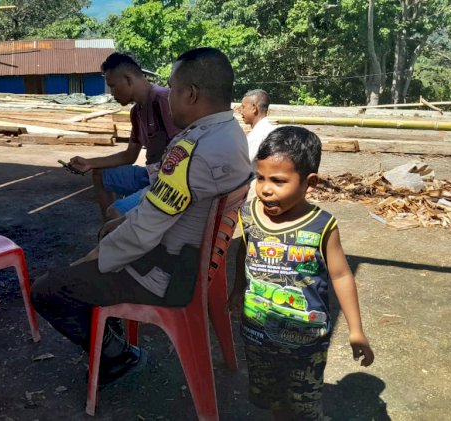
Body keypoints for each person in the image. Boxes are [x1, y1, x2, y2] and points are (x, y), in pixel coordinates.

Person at [31, 47, 251, 388]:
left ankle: (119, 355)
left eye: (175, 90)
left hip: (165, 275)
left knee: (48, 289)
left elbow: (145, 230)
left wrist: (97, 257)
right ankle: (109, 328)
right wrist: (116, 230)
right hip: (190, 262)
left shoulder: (191, 147)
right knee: (112, 229)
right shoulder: (231, 134)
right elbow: (158, 207)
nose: (170, 97)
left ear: (191, 94)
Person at [236, 126, 375, 420]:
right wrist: (237, 289)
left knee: (304, 407)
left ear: (309, 182)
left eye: (278, 180)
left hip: (305, 344)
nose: (265, 188)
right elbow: (244, 252)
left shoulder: (321, 225)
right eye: (260, 177)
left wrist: (355, 330)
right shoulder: (248, 214)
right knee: (273, 399)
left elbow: (341, 275)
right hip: (257, 335)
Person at [68, 53, 181, 221]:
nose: (112, 93)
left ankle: (115, 233)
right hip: (151, 176)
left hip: (169, 184)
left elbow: (185, 153)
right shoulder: (136, 112)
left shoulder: (163, 100)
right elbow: (129, 156)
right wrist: (90, 163)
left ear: (128, 79)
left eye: (112, 86)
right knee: (100, 173)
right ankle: (112, 232)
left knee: (116, 212)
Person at [237, 89, 276, 162]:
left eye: (243, 107)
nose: (241, 111)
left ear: (254, 108)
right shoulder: (272, 130)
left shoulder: (257, 135)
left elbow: (243, 164)